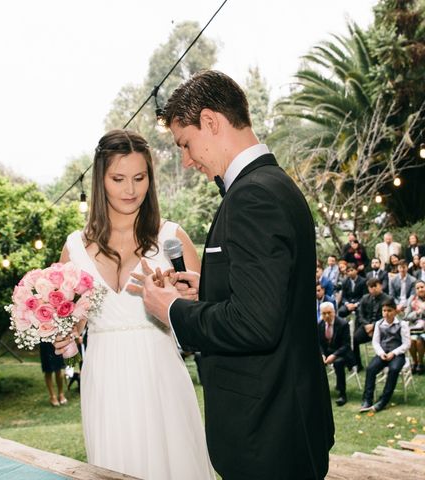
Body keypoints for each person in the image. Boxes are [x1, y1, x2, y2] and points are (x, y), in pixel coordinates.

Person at [127, 71, 333, 480]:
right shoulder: (276, 185)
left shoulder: (252, 197)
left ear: (211, 122)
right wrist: (209, 289)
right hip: (287, 420)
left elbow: (256, 325)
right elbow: (276, 294)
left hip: (266, 432)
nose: (187, 160)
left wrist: (171, 311)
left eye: (185, 143)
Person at [55, 129, 214, 479]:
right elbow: (71, 323)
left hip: (160, 376)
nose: (130, 190)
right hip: (104, 378)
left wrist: (187, 304)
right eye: (118, 179)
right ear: (100, 179)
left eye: (139, 178)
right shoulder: (74, 249)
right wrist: (63, 333)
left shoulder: (172, 238)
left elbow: (205, 320)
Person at [360, 298, 410, 413]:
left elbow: (407, 344)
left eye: (389, 311)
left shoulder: (402, 325)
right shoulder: (379, 324)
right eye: (384, 311)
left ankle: (384, 400)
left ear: (395, 311)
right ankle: (367, 399)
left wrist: (393, 353)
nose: (386, 313)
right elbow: (375, 342)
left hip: (397, 354)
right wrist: (381, 353)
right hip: (383, 353)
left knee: (394, 369)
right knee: (371, 369)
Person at [318, 302, 354, 406]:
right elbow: (319, 343)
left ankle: (342, 394)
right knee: (315, 362)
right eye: (324, 313)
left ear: (334, 312)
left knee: (338, 363)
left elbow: (346, 345)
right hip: (327, 353)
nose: (327, 316)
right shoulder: (320, 325)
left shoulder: (343, 324)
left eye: (329, 313)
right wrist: (322, 354)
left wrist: (334, 355)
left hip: (342, 353)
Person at [353, 278, 391, 370]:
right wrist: (366, 326)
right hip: (366, 326)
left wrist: (374, 326)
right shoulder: (365, 298)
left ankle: (383, 363)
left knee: (384, 340)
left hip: (382, 327)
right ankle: (358, 364)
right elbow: (360, 314)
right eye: (371, 287)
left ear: (380, 286)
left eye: (375, 286)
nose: (373, 289)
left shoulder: (388, 299)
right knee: (354, 339)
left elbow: (387, 316)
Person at [405, 280, 425, 374]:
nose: (420, 289)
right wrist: (417, 313)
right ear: (415, 290)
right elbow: (406, 316)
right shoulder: (412, 299)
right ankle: (415, 361)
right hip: (416, 326)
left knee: (419, 340)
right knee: (411, 340)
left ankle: (421, 363)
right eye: (418, 288)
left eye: (422, 287)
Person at [39, 342, 67, 407]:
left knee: (58, 370)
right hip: (45, 344)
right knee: (48, 371)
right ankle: (52, 396)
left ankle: (61, 394)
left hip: (57, 343)